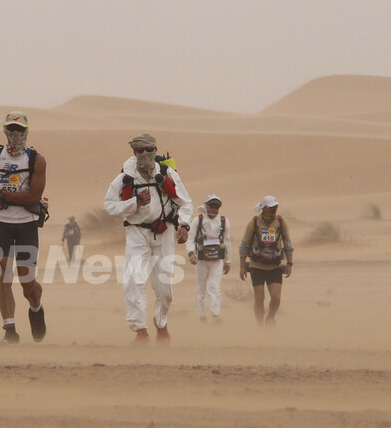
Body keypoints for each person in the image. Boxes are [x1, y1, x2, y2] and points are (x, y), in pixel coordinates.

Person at [104, 134, 193, 345]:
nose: (145, 154)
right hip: (137, 233)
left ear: (155, 149)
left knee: (164, 286)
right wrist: (134, 202)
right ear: (133, 152)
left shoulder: (167, 173)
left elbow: (186, 202)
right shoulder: (125, 177)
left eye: (149, 149)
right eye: (140, 150)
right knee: (134, 279)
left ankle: (161, 323)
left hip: (165, 232)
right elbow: (110, 207)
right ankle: (140, 330)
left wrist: (185, 225)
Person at [0, 111, 46, 344]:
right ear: (5, 130)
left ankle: (36, 307)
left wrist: (2, 194)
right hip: (2, 223)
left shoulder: (36, 160)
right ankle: (10, 330)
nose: (15, 134)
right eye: (11, 129)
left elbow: (35, 196)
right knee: (4, 275)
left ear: (26, 131)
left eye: (19, 129)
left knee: (27, 281)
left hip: (26, 224)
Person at [239, 195, 294, 327]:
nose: (273, 210)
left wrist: (289, 264)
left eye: (275, 207)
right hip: (256, 266)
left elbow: (287, 244)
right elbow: (244, 245)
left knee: (276, 298)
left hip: (274, 266)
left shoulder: (280, 222)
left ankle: (270, 317)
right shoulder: (254, 222)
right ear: (263, 209)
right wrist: (242, 266)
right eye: (270, 207)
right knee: (259, 298)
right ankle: (260, 325)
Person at [186, 194, 231, 323]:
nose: (214, 209)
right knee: (202, 287)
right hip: (201, 259)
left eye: (216, 207)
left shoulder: (224, 221)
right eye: (211, 206)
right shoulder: (198, 220)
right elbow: (190, 238)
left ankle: (215, 315)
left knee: (214, 286)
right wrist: (191, 253)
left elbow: (227, 242)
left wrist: (228, 261)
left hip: (217, 260)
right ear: (206, 206)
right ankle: (201, 315)